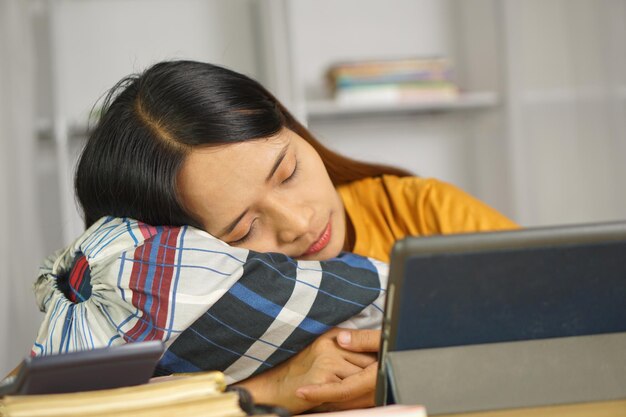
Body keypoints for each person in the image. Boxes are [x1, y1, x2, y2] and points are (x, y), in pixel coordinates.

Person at [31, 60, 517, 413]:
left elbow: (576, 324)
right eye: (244, 228)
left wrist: (410, 374)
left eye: (288, 172)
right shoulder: (166, 314)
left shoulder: (415, 210)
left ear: (292, 127)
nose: (300, 222)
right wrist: (274, 387)